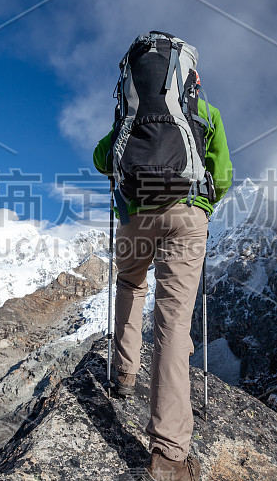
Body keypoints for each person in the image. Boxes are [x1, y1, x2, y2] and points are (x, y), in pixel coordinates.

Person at [92, 69, 232, 480]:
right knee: (173, 320)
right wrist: (200, 207)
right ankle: (169, 455)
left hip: (136, 217)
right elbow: (221, 176)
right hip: (187, 216)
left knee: (131, 283)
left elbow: (102, 160)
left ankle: (124, 375)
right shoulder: (205, 113)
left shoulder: (130, 118)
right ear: (188, 81)